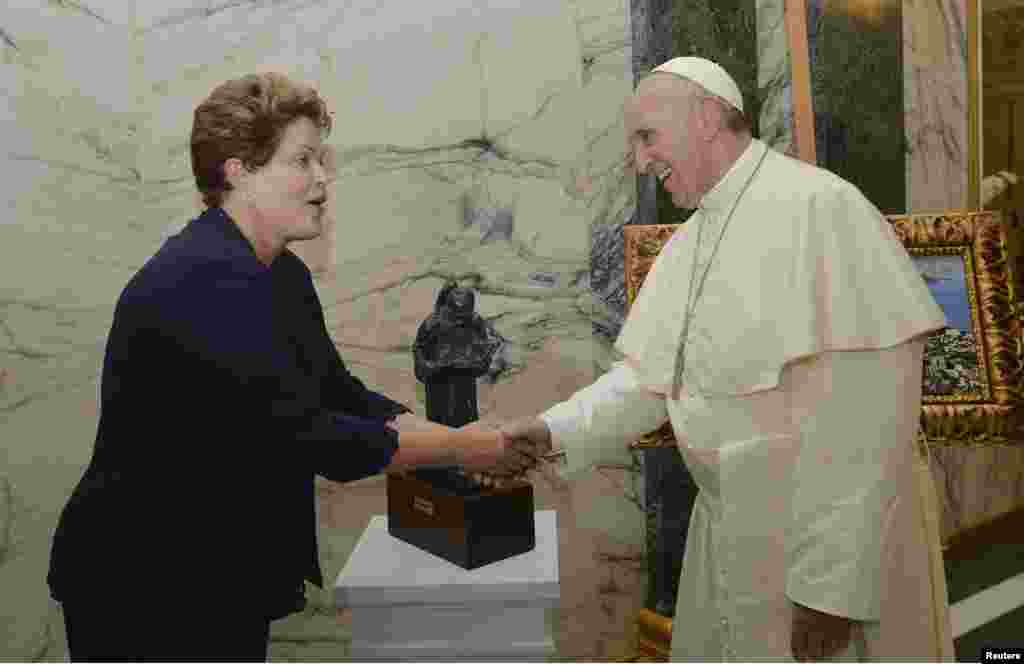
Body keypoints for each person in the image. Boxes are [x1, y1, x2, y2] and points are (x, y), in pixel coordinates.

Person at [47, 72, 521, 662]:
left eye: (321, 160)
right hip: (143, 586)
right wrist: (462, 450)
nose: (322, 178)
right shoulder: (203, 277)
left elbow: (340, 396)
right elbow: (309, 436)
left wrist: (463, 440)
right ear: (237, 170)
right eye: (302, 161)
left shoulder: (280, 273)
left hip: (217, 575)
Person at [498, 57, 955, 661]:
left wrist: (830, 590)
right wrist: (553, 430)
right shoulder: (691, 240)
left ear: (707, 117)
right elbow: (646, 381)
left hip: (819, 557)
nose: (639, 161)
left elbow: (866, 421)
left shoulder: (822, 209)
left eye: (647, 137)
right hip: (733, 540)